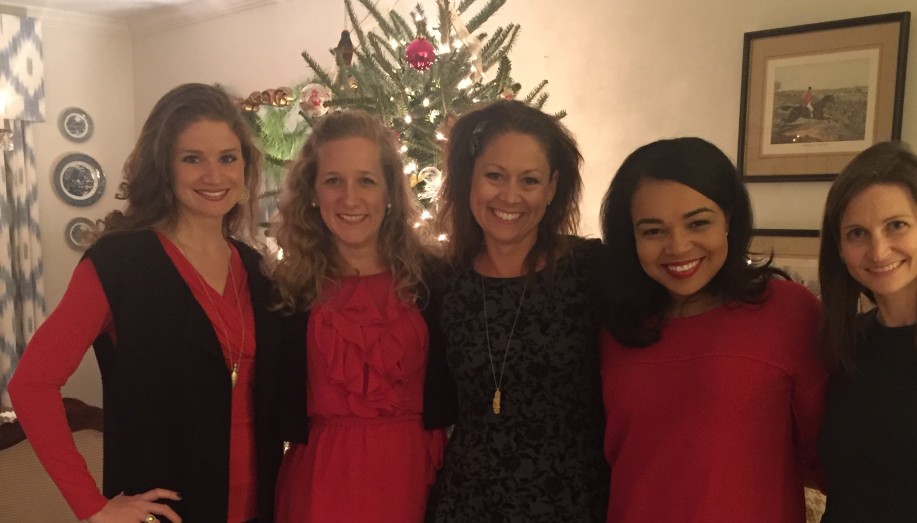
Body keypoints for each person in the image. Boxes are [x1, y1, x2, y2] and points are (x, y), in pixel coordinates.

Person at [7, 83, 305, 522]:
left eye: (227, 158)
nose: (214, 176)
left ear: (245, 167)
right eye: (192, 159)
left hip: (258, 509)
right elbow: (32, 384)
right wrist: (92, 507)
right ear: (163, 167)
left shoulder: (256, 269)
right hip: (163, 514)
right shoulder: (119, 263)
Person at [598, 137, 826, 522]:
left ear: (729, 220)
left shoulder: (790, 312)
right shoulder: (614, 325)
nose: (678, 246)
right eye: (653, 231)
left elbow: (833, 460)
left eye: (698, 223)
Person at [424, 100, 609, 522]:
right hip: (467, 504)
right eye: (494, 175)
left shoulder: (592, 271)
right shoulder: (444, 282)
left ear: (552, 187)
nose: (510, 196)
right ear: (469, 177)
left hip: (571, 504)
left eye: (530, 180)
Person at [272, 110, 445, 522]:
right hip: (320, 483)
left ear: (389, 191)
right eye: (333, 181)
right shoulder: (287, 288)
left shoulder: (435, 280)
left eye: (366, 180)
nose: (350, 199)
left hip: (413, 479)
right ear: (313, 192)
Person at [817, 141, 917, 521]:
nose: (878, 251)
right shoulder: (844, 344)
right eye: (857, 233)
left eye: (896, 226)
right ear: (839, 248)